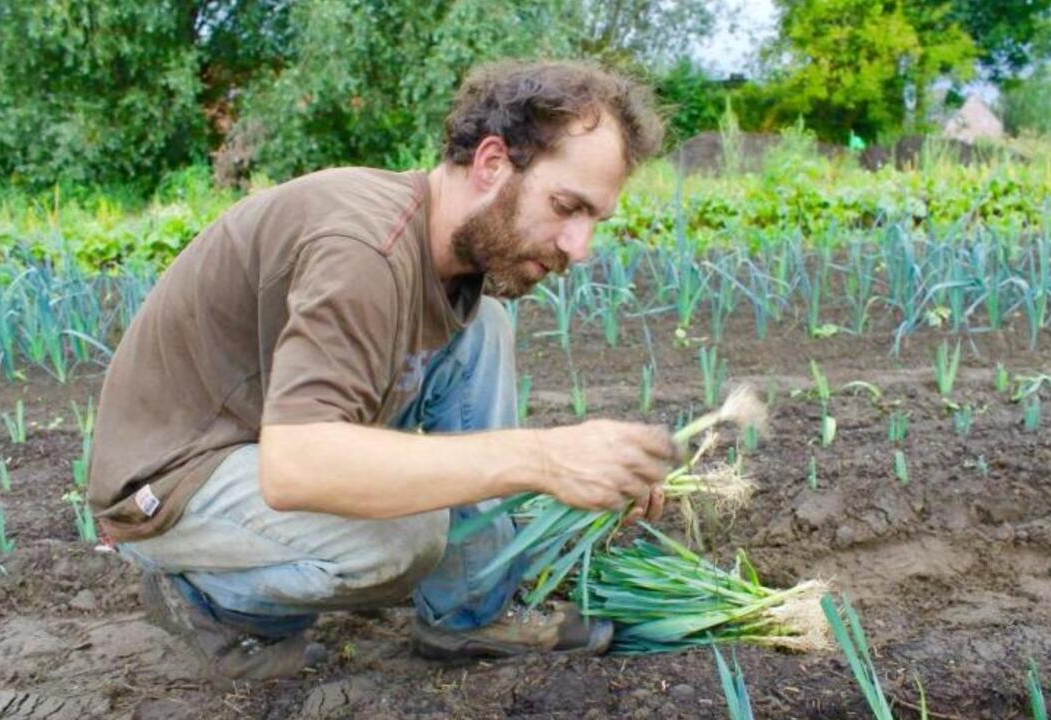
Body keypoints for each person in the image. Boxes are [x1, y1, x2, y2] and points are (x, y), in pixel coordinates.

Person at [87, 59, 680, 682]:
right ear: (492, 164)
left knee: (484, 329)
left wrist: (594, 467)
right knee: (404, 538)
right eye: (566, 206)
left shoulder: (446, 253)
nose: (578, 247)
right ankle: (208, 602)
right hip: (174, 478)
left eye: (594, 221)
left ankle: (468, 615)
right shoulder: (363, 249)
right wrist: (545, 460)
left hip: (263, 438)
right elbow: (298, 468)